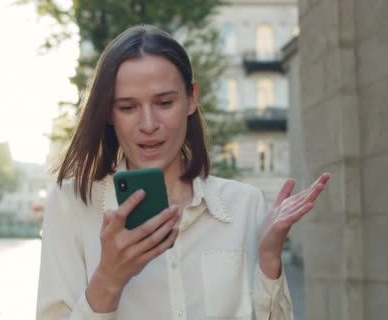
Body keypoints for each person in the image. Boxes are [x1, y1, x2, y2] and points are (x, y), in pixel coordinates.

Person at [36, 24, 330, 320]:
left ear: (191, 99)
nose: (148, 124)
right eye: (127, 107)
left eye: (164, 102)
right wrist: (108, 280)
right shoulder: (72, 205)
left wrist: (269, 260)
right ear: (109, 114)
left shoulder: (244, 205)